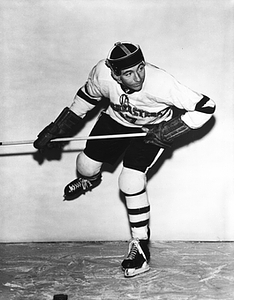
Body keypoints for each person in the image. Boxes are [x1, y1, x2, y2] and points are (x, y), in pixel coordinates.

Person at [33, 42, 216, 277]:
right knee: (85, 166)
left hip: (152, 130)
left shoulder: (161, 83)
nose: (138, 77)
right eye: (129, 73)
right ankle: (90, 179)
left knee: (130, 180)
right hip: (116, 121)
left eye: (141, 68)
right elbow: (85, 100)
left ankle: (140, 247)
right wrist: (56, 129)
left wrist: (169, 130)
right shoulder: (102, 74)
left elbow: (206, 107)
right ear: (115, 74)